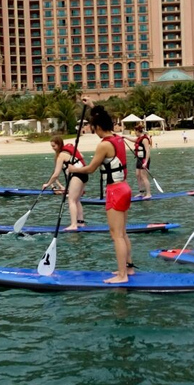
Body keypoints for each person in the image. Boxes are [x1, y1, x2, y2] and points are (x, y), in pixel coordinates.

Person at [68, 98, 134, 284]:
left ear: (97, 127)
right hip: (125, 188)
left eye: (92, 127)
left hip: (115, 191)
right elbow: (103, 114)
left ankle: (122, 276)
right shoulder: (117, 138)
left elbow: (90, 169)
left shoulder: (104, 144)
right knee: (123, 232)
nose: (91, 130)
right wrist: (91, 106)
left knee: (116, 235)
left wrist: (73, 170)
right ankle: (129, 268)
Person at [42, 135, 88, 231]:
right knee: (76, 200)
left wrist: (47, 184)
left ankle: (73, 225)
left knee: (71, 200)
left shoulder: (61, 155)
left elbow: (56, 175)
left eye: (54, 146)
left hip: (77, 176)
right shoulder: (68, 152)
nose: (53, 148)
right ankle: (81, 223)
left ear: (59, 145)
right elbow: (82, 156)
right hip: (84, 175)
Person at [123, 123, 152, 199]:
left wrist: (145, 162)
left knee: (143, 176)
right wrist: (124, 137)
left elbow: (148, 150)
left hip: (144, 160)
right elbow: (133, 140)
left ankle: (148, 194)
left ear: (138, 131)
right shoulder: (139, 138)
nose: (135, 133)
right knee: (137, 175)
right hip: (139, 159)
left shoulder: (145, 139)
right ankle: (141, 192)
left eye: (135, 132)